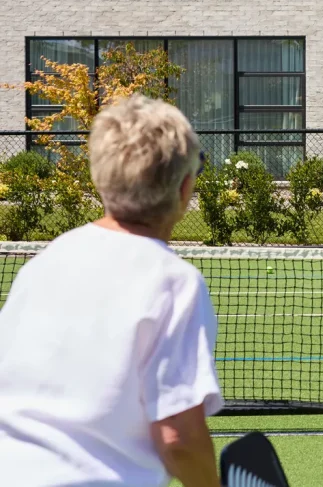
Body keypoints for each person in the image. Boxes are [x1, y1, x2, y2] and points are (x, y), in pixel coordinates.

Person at [0, 94, 223, 487]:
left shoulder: (40, 266)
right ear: (185, 187)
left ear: (99, 178)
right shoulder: (174, 281)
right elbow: (178, 439)